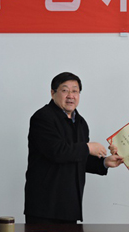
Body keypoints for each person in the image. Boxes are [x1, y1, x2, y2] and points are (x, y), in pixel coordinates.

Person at [24, 72, 123, 224]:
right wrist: (87, 147)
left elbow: (78, 159)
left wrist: (104, 162)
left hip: (69, 206)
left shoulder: (81, 123)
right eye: (65, 90)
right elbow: (57, 152)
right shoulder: (42, 117)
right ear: (52, 93)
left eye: (75, 91)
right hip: (44, 206)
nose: (71, 96)